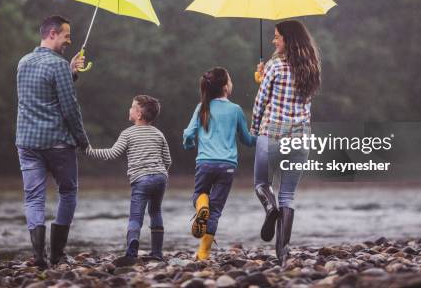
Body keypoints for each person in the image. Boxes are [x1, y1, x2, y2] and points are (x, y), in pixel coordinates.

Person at [16, 15, 89, 269]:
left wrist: (70, 72)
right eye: (66, 36)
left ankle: (38, 257)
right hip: (58, 143)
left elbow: (41, 95)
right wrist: (82, 140)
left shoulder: (23, 62)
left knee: (33, 198)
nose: (69, 41)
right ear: (52, 34)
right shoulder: (57, 65)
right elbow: (69, 108)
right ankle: (57, 254)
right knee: (68, 192)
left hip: (27, 142)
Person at [251, 20, 321, 265]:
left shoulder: (275, 66)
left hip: (271, 135)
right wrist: (265, 72)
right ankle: (282, 252)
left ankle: (270, 209)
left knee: (261, 183)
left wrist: (253, 129)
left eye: (277, 36)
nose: (274, 40)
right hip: (300, 140)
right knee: (288, 195)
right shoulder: (311, 67)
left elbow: (261, 102)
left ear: (288, 40)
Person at [84, 95, 171, 264]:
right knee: (155, 212)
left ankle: (132, 251)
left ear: (138, 114)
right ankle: (157, 253)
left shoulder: (128, 133)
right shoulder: (159, 134)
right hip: (160, 178)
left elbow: (111, 153)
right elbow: (168, 160)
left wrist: (88, 150)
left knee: (135, 217)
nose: (129, 109)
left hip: (141, 179)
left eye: (132, 107)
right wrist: (160, 174)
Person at [183, 67, 256, 260]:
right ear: (225, 87)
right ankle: (204, 253)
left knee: (199, 197)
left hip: (205, 163)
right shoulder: (236, 110)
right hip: (227, 166)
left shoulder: (202, 107)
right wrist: (262, 136)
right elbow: (248, 140)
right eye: (230, 80)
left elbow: (188, 134)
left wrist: (189, 145)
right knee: (215, 211)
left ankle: (201, 208)